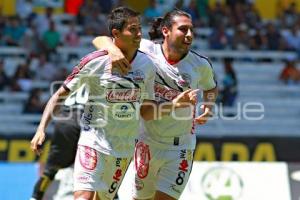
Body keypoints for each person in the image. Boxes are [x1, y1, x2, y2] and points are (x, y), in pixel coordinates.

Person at [31, 7, 195, 200]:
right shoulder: (95, 61)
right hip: (93, 140)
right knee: (83, 197)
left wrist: (174, 105)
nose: (139, 34)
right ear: (116, 34)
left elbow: (147, 111)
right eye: (132, 29)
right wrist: (41, 128)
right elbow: (59, 94)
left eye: (139, 28)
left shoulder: (148, 65)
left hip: (123, 148)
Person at [92, 9, 218, 200]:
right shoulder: (145, 50)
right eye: (183, 29)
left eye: (191, 30)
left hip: (181, 147)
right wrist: (114, 51)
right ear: (166, 31)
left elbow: (211, 88)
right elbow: (100, 39)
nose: (189, 35)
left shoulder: (200, 65)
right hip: (146, 143)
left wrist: (208, 106)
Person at [30, 85, 87, 200]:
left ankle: (35, 197)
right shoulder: (102, 77)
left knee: (50, 170)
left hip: (63, 123)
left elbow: (56, 98)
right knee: (96, 169)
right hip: (84, 124)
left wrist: (41, 128)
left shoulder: (75, 78)